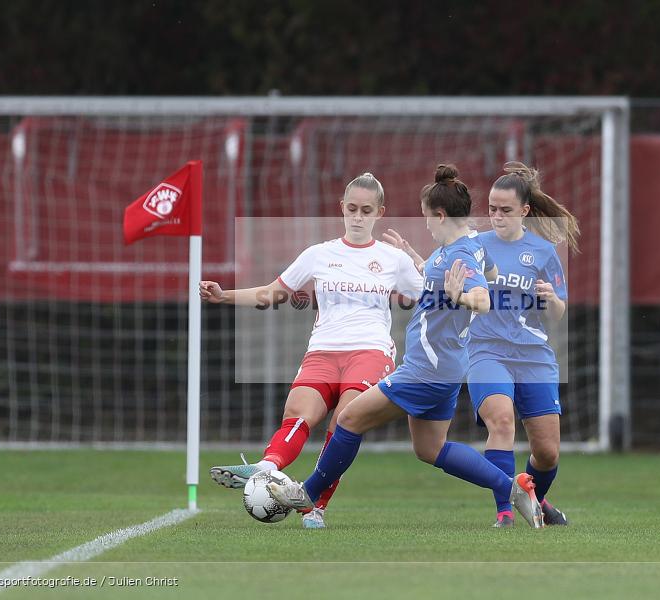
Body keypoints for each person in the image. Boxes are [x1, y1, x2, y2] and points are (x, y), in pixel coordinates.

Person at [266, 164, 545, 529]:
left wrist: (462, 295)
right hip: (447, 365)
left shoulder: (456, 257)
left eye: (427, 217)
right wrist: (418, 259)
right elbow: (489, 274)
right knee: (429, 449)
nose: (426, 224)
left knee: (349, 419)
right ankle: (513, 489)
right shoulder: (473, 243)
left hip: (425, 369)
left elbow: (483, 297)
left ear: (441, 216)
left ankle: (308, 492)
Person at [199, 172, 423, 529]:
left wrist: (419, 262)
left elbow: (432, 296)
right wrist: (224, 295)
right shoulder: (319, 254)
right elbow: (275, 291)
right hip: (322, 351)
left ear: (381, 212)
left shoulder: (393, 259)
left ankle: (315, 504)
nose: (358, 216)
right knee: (298, 414)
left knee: (344, 422)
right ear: (341, 209)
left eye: (366, 210)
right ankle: (265, 467)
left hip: (370, 351)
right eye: (352, 208)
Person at [467, 161, 579, 527]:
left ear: (525, 211)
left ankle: (536, 500)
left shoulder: (544, 252)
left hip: (533, 355)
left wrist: (551, 300)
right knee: (501, 421)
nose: (496, 216)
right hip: (486, 349)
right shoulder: (475, 247)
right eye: (491, 209)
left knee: (546, 452)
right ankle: (504, 512)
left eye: (506, 210)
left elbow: (558, 313)